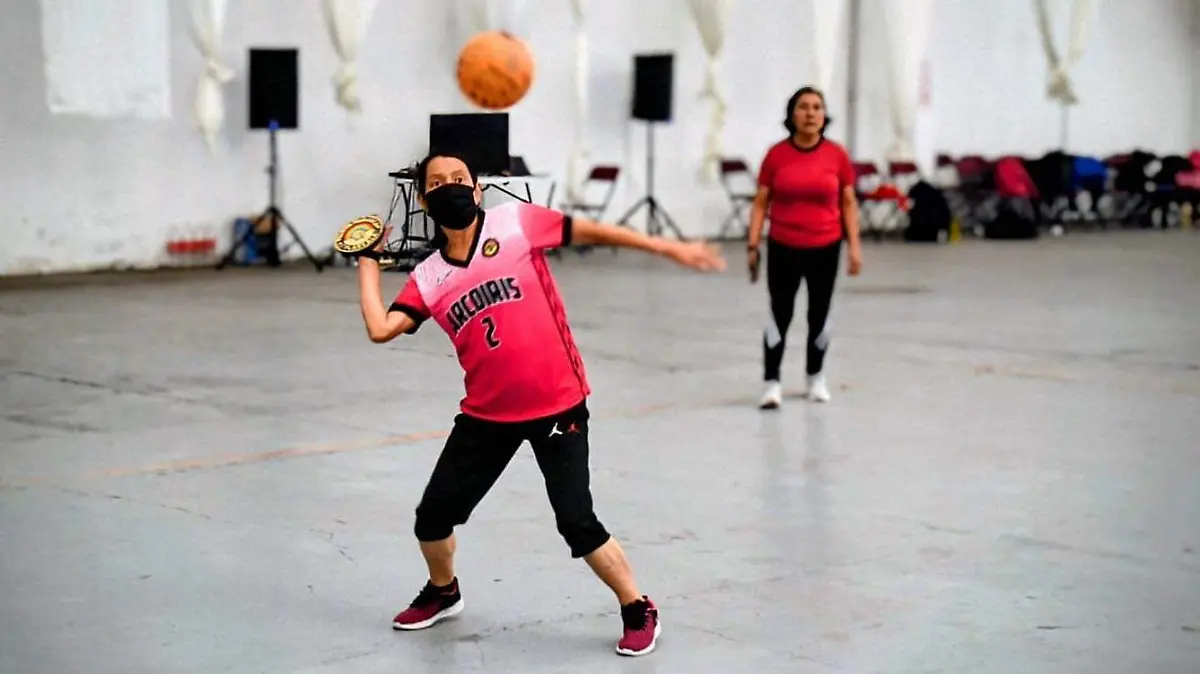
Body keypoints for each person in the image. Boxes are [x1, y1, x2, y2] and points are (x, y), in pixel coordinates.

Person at [354, 151, 725, 657]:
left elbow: (594, 231)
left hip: (557, 406)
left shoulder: (516, 224)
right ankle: (444, 591)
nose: (450, 187)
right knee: (432, 517)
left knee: (577, 521)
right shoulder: (430, 276)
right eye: (437, 182)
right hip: (487, 415)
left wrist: (665, 246)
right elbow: (380, 329)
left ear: (478, 188)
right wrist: (368, 260)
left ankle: (638, 606)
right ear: (423, 198)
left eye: (458, 178)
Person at [747, 86, 863, 409]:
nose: (811, 113)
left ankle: (816, 375)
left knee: (819, 314)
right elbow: (760, 202)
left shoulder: (837, 156)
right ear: (792, 114)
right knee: (779, 313)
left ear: (824, 115)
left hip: (825, 247)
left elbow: (849, 203)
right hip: (784, 246)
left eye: (817, 107)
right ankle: (772, 382)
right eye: (803, 107)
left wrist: (854, 247)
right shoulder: (776, 156)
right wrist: (752, 244)